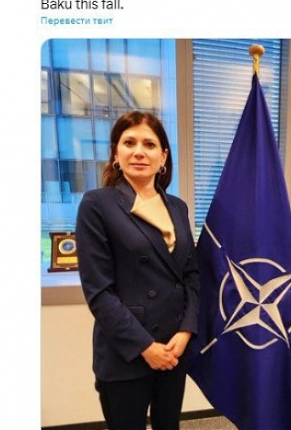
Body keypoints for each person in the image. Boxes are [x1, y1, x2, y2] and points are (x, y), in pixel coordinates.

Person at [76, 111, 199, 430]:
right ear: (116, 154)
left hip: (173, 347)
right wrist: (145, 346)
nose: (139, 152)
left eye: (149, 144)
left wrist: (186, 331)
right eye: (129, 143)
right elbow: (99, 292)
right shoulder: (97, 204)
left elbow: (191, 275)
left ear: (164, 157)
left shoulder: (178, 207)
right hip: (126, 351)